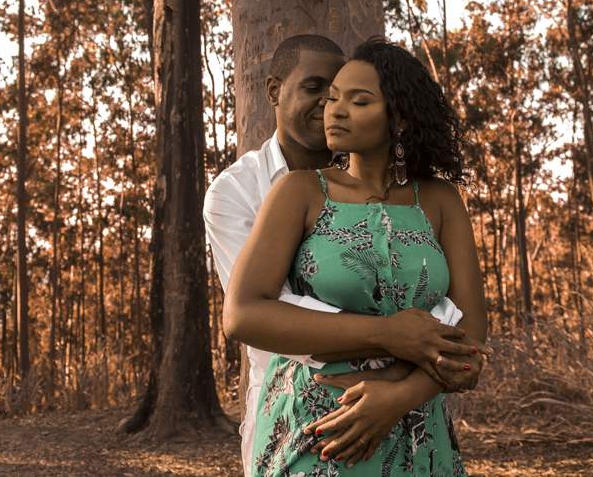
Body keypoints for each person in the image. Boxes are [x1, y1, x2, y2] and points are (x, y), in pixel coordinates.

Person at [204, 35, 484, 475]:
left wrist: (398, 396)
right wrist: (390, 333)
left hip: (419, 431)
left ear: (401, 118)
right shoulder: (296, 192)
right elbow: (243, 315)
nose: (334, 109)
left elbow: (470, 335)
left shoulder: (441, 200)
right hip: (318, 428)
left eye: (357, 100)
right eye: (331, 96)